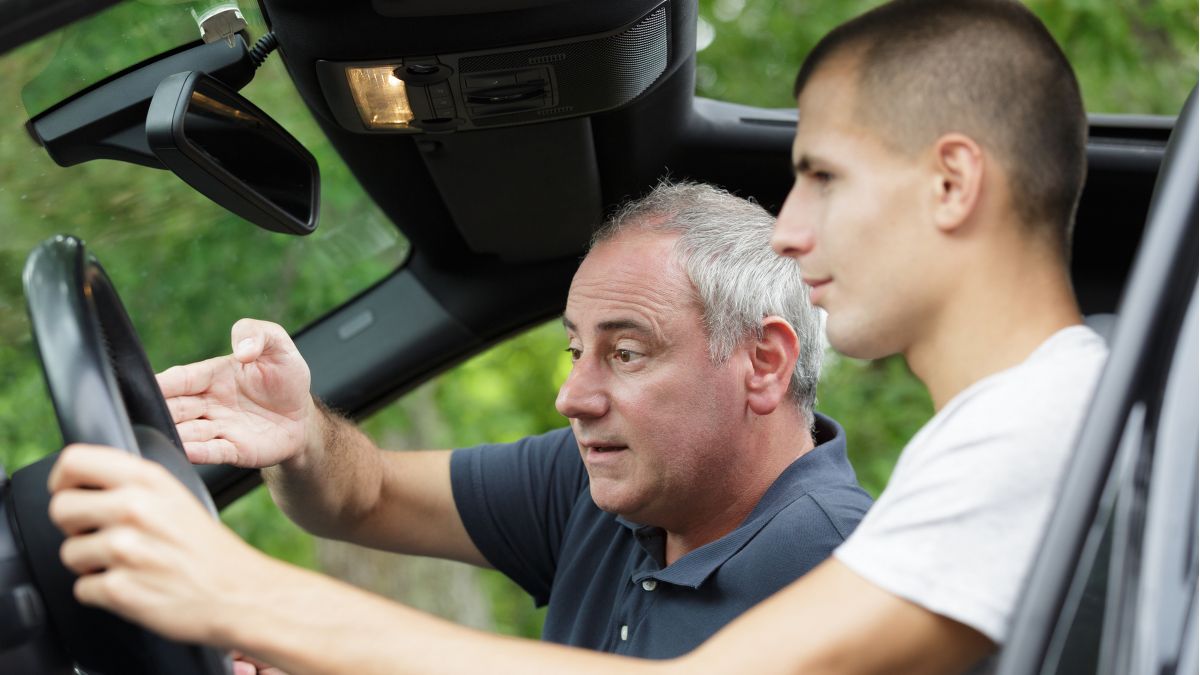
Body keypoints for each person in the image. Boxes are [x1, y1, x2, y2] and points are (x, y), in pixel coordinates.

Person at [47, 0, 1109, 673]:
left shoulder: (1036, 436)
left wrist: (242, 593)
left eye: (822, 176)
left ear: (953, 181)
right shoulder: (1015, 431)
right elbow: (362, 492)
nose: (791, 226)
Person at [50, 180, 871, 663]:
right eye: (575, 350)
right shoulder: (600, 483)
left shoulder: (845, 564)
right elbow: (365, 496)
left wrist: (240, 595)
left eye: (626, 353)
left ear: (762, 361)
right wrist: (300, 432)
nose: (573, 396)